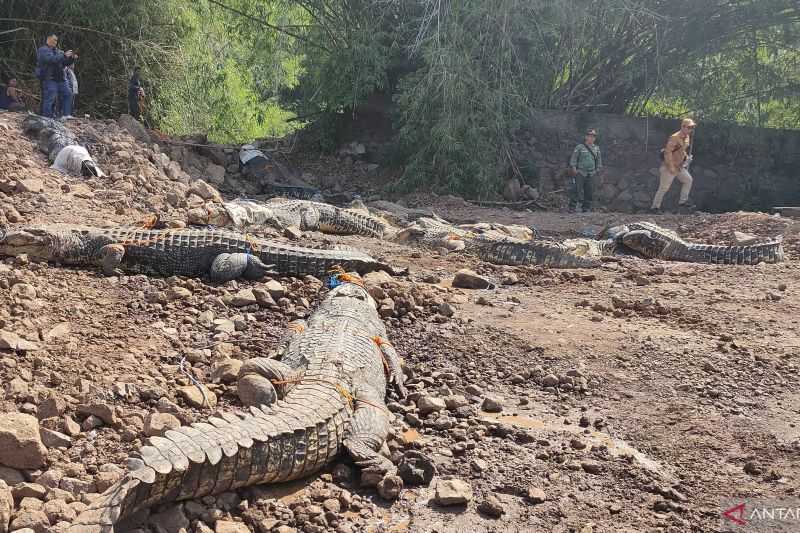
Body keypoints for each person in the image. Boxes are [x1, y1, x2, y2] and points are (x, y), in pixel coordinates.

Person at [651, 118, 696, 213]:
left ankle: (682, 202)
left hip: (679, 166)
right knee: (663, 188)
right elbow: (667, 153)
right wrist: (671, 167)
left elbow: (682, 150)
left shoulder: (687, 137)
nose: (691, 129)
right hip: (669, 167)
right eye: (689, 127)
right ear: (683, 127)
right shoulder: (674, 137)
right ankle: (655, 208)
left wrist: (686, 159)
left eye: (692, 127)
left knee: (688, 180)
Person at [35, 34, 75, 118]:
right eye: (54, 40)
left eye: (56, 40)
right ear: (48, 39)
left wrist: (71, 58)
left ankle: (66, 115)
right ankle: (47, 117)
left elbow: (64, 63)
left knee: (68, 94)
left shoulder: (59, 51)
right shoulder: (43, 50)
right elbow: (50, 59)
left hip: (61, 79)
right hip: (50, 78)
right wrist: (64, 55)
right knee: (50, 98)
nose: (55, 42)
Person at [568, 128, 602, 213]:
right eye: (590, 136)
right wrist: (574, 168)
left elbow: (599, 161)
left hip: (591, 173)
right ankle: (572, 208)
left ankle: (586, 208)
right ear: (586, 137)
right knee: (576, 190)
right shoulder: (579, 147)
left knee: (589, 191)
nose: (592, 138)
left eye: (593, 136)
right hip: (580, 172)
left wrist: (597, 170)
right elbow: (574, 159)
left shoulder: (597, 148)